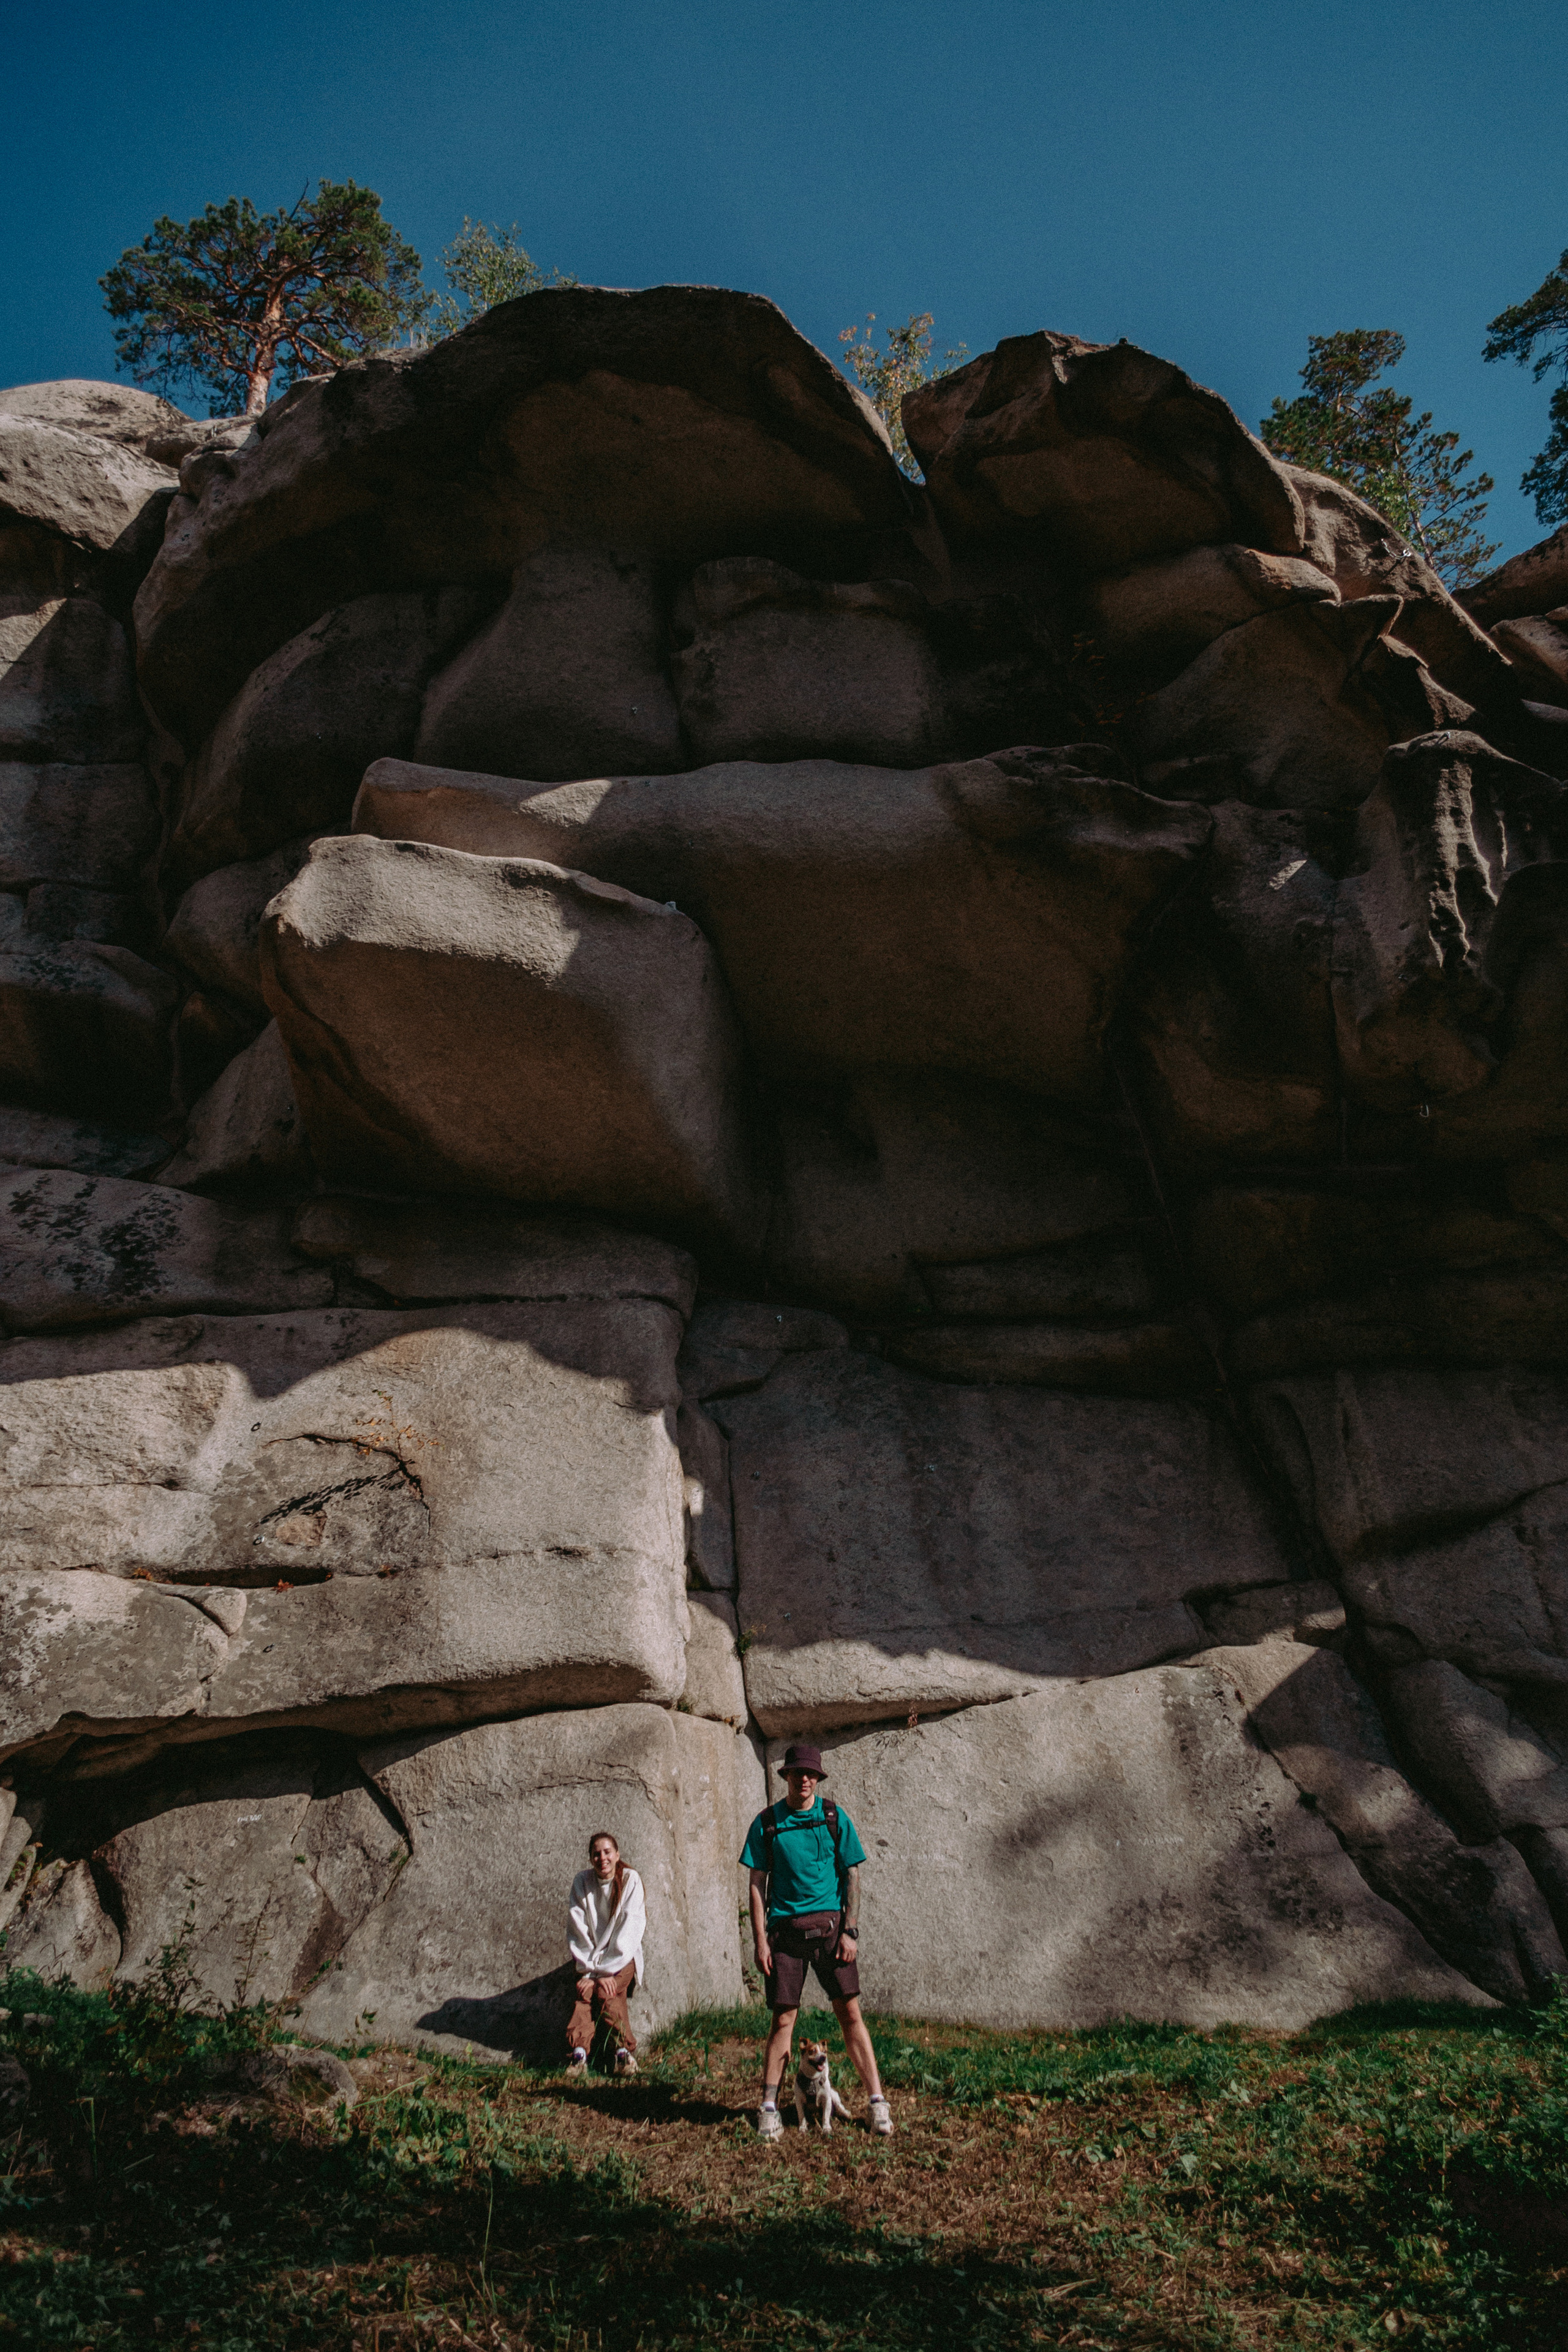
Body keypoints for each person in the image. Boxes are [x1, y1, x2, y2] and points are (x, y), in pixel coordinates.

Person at [739, 1741, 892, 2139]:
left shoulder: (834, 1817)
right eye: (797, 1773)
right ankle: (769, 2108)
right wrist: (760, 1941)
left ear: (818, 1778)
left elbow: (852, 1874)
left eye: (811, 1774)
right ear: (786, 1776)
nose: (804, 1779)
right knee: (783, 2020)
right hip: (785, 1936)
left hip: (831, 1935)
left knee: (850, 2015)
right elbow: (756, 1884)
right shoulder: (767, 1823)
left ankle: (878, 2104)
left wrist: (851, 1930)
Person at [565, 1830, 645, 2075]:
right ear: (591, 1859)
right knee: (585, 1991)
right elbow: (579, 1931)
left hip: (623, 1959)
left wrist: (605, 1973)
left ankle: (622, 2053)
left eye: (607, 1852)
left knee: (605, 1990)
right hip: (592, 1963)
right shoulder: (582, 1882)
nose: (603, 1858)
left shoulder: (630, 1880)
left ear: (617, 1854)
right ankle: (579, 2056)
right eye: (596, 1854)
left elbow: (629, 1931)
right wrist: (590, 1973)